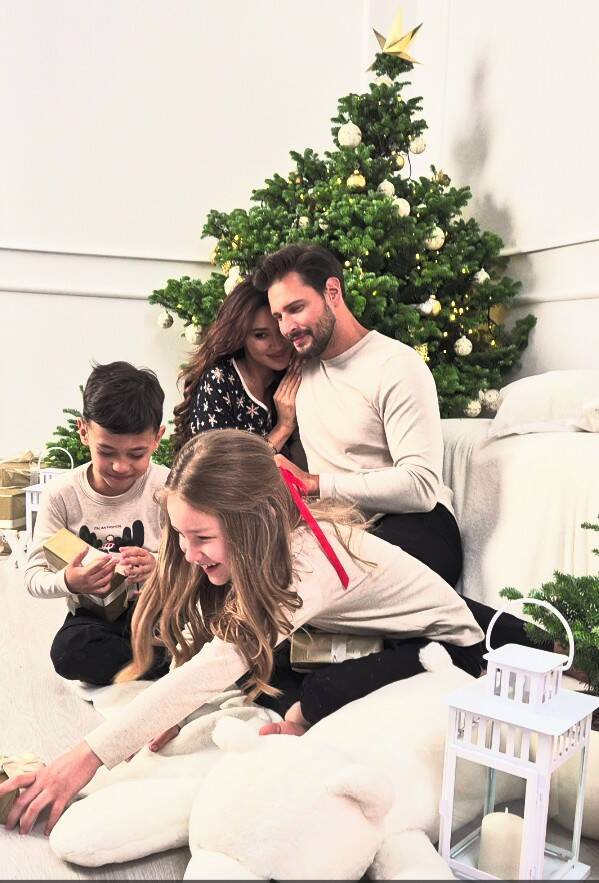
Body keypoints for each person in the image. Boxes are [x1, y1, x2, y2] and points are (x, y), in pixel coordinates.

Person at [1, 429, 484, 835]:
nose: (189, 553)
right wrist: (170, 710)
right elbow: (206, 638)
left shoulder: (305, 563)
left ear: (256, 523)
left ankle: (307, 715)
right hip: (350, 637)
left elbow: (219, 661)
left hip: (443, 649)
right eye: (181, 535)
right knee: (261, 675)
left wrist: (85, 758)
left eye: (202, 538)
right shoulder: (251, 548)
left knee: (309, 697)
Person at [253, 242, 540, 646]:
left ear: (332, 292)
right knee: (290, 587)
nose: (286, 328)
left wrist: (316, 484)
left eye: (296, 308)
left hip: (418, 526)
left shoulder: (395, 366)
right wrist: (283, 427)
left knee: (336, 586)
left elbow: (420, 486)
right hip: (347, 533)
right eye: (279, 316)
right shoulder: (302, 369)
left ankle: (539, 644)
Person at [24, 361, 170, 686]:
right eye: (106, 452)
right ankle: (160, 663)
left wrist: (157, 565)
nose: (120, 466)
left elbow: (197, 560)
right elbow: (33, 577)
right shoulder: (61, 495)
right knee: (68, 652)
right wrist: (70, 581)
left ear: (157, 438)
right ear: (83, 431)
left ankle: (154, 658)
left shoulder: (166, 487)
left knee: (194, 627)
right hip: (94, 615)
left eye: (136, 454)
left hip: (156, 608)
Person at [171, 277, 302, 460]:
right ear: (241, 336)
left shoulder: (294, 372)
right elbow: (220, 469)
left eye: (281, 330)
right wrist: (283, 428)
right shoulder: (218, 380)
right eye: (261, 335)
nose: (278, 344)